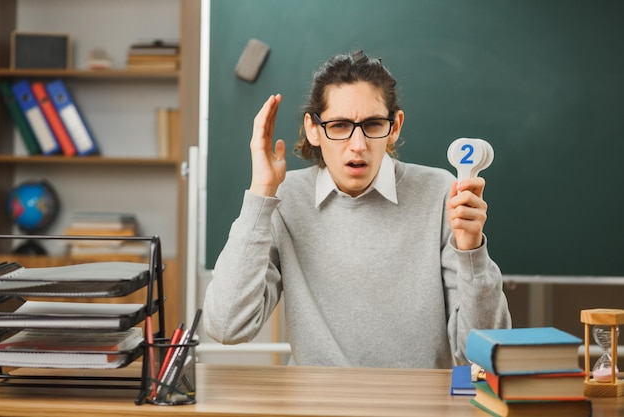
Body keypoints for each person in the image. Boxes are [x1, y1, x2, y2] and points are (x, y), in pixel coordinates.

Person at [203, 50, 511, 368]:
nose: (358, 145)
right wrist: (261, 194)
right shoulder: (286, 198)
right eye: (338, 126)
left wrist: (472, 251)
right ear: (313, 129)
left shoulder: (439, 192)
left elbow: (482, 350)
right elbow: (227, 326)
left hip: (417, 403)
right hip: (317, 403)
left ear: (395, 126)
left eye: (373, 124)